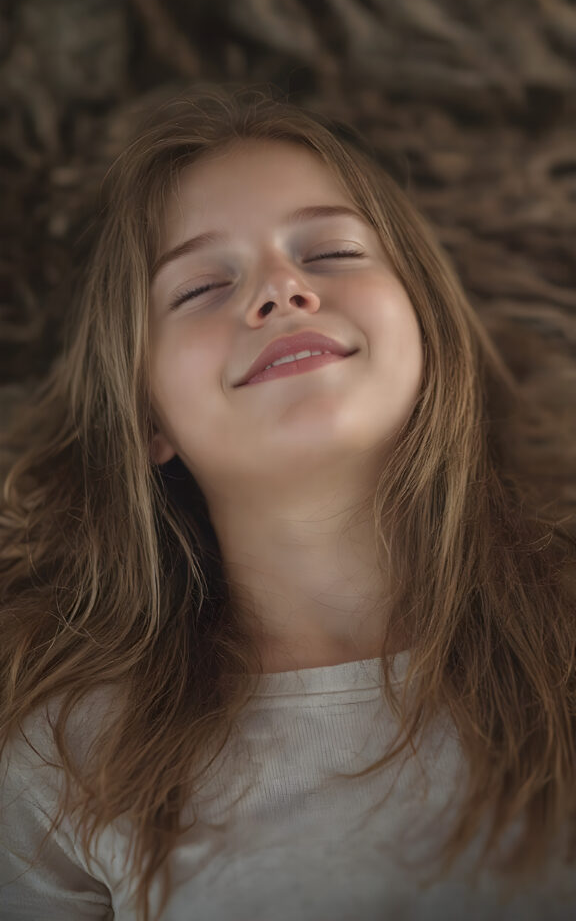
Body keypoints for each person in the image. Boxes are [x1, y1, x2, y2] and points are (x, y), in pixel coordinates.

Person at [0, 86, 575, 921]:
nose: (281, 289)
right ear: (149, 418)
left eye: (333, 252)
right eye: (201, 286)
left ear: (426, 325)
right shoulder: (64, 762)